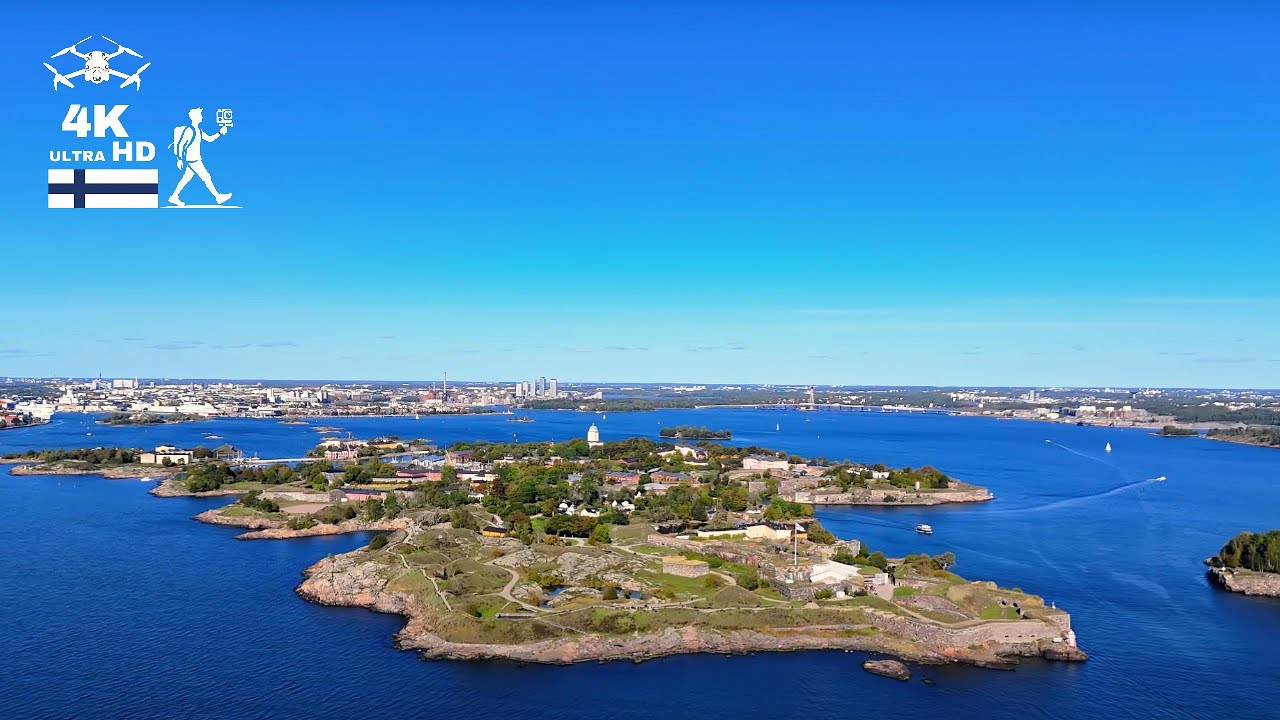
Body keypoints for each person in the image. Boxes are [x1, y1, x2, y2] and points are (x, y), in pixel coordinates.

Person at [168, 107, 231, 206]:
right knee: (206, 177)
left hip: (194, 159)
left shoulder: (199, 131)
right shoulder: (189, 130)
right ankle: (218, 197)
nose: (202, 117)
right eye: (200, 115)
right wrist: (179, 159)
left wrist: (219, 132)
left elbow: (209, 139)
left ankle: (173, 196)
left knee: (185, 179)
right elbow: (180, 144)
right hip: (193, 160)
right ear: (195, 117)